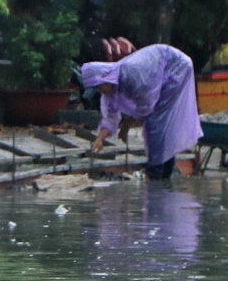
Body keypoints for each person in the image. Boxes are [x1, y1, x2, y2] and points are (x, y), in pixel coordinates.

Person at [79, 43, 201, 180]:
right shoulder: (110, 94)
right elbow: (110, 117)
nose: (99, 91)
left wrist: (126, 124)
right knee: (161, 124)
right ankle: (165, 172)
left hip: (175, 67)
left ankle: (156, 174)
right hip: (160, 75)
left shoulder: (131, 75)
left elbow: (146, 105)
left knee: (156, 122)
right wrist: (99, 139)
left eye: (98, 86)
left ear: (105, 79)